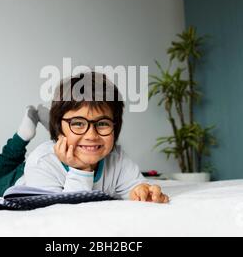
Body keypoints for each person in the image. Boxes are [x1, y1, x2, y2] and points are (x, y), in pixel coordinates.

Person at [13, 72, 169, 203]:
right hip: (13, 178)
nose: (92, 136)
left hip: (64, 138)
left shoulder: (117, 159)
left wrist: (143, 192)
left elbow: (134, 187)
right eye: (79, 123)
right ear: (60, 129)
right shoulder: (42, 163)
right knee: (1, 167)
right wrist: (81, 169)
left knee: (78, 135)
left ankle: (62, 122)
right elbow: (62, 215)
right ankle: (25, 132)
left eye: (102, 123)